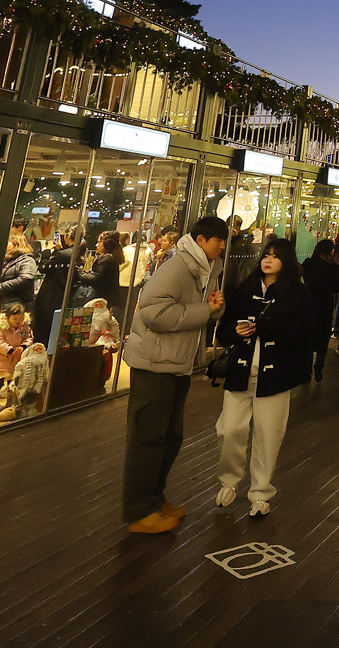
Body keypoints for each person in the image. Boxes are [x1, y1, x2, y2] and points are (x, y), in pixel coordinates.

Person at [120, 215, 227, 535]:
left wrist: (215, 307)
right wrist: (205, 310)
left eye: (224, 240)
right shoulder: (177, 266)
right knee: (148, 437)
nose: (222, 245)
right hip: (154, 363)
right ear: (200, 240)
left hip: (177, 363)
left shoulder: (208, 268)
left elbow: (204, 310)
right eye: (217, 239)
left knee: (170, 437)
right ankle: (139, 511)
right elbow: (152, 312)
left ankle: (154, 499)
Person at [216, 237, 313, 519]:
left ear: (287, 261)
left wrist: (265, 327)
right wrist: (236, 331)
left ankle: (260, 493)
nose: (268, 260)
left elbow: (305, 331)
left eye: (275, 256)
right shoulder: (245, 289)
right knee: (228, 430)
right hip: (240, 372)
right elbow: (223, 332)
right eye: (265, 255)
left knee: (268, 435)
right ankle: (228, 481)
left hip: (276, 376)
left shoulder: (297, 293)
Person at [302, 239, 339, 382]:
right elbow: (337, 288)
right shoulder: (333, 267)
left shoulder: (308, 263)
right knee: (323, 336)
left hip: (308, 302)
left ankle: (306, 370)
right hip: (325, 304)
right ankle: (319, 366)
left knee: (308, 336)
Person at [0, 304, 33, 412]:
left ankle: (11, 402)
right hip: (2, 360)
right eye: (15, 318)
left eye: (21, 318)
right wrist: (10, 350)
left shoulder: (25, 328)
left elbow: (29, 338)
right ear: (8, 318)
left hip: (17, 359)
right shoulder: (2, 329)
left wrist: (23, 346)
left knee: (13, 382)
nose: (18, 321)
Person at [0, 233, 40, 308]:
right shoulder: (7, 259)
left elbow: (25, 278)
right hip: (4, 301)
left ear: (15, 244)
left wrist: (0, 287)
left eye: (7, 242)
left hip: (17, 304)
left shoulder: (27, 260)